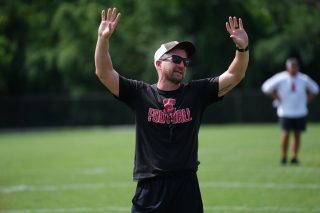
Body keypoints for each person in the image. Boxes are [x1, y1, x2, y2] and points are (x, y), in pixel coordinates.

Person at [95, 7, 249, 213]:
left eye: (185, 61)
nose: (182, 65)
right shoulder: (141, 93)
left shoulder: (196, 93)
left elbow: (234, 75)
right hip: (150, 187)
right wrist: (103, 39)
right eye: (176, 59)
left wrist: (243, 49)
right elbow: (104, 72)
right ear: (158, 63)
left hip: (186, 186)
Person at [261, 57, 319, 166]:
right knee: (286, 133)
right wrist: (276, 97)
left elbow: (315, 89)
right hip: (285, 111)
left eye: (296, 67)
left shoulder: (303, 79)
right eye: (292, 67)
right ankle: (283, 157)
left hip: (300, 111)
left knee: (297, 135)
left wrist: (307, 100)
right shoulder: (280, 78)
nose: (294, 69)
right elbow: (266, 87)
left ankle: (294, 157)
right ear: (288, 67)